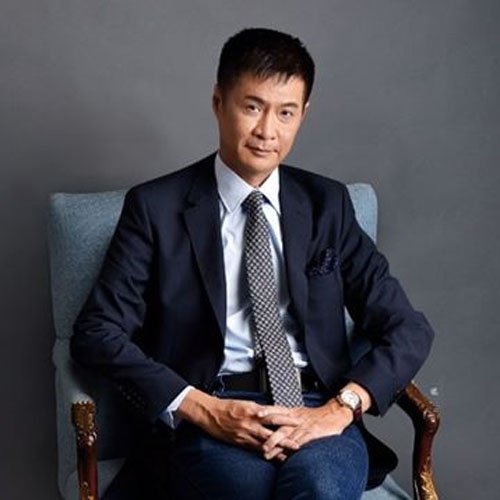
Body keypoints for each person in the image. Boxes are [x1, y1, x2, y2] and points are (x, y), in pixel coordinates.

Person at [71, 27, 434, 500]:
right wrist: (200, 407)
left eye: (286, 113)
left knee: (320, 487)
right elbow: (97, 331)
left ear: (303, 114)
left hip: (316, 408)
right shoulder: (156, 208)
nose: (267, 131)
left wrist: (341, 407)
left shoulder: (328, 205)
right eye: (252, 107)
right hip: (212, 409)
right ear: (218, 102)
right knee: (250, 489)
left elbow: (408, 327)